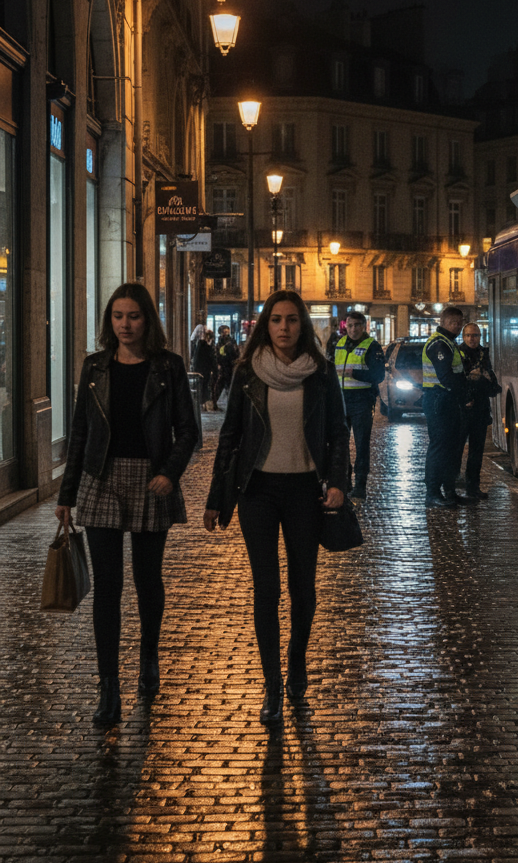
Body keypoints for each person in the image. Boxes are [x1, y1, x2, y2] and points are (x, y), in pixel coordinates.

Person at [55, 283, 198, 726]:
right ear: (109, 321)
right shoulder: (95, 366)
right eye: (118, 316)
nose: (125, 324)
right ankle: (109, 687)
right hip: (101, 479)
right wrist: (66, 494)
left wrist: (169, 473)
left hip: (150, 480)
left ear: (147, 319)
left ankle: (149, 656)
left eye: (133, 316)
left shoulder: (168, 367)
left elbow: (188, 430)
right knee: (107, 588)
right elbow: (80, 432)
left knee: (147, 580)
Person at [203, 290, 348, 726]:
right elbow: (230, 436)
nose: (284, 327)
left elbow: (338, 431)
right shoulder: (248, 371)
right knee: (266, 588)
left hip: (305, 491)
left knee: (304, 589)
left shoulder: (321, 372)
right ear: (266, 326)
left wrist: (339, 482)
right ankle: (272, 684)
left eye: (291, 320)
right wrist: (216, 498)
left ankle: (296, 663)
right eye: (276, 320)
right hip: (258, 491)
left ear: (302, 325)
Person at [422, 306, 476, 508]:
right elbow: (446, 376)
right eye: (453, 322)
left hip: (448, 401)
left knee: (452, 448)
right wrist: (464, 394)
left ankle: (450, 492)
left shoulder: (449, 343)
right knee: (439, 447)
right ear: (443, 322)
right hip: (439, 400)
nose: (457, 326)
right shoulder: (438, 344)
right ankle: (433, 493)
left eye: (460, 322)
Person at [333, 310, 385, 502]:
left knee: (362, 444)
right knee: (340, 443)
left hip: (362, 400)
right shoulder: (339, 344)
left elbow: (378, 375)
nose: (353, 329)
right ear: (345, 326)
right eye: (350, 325)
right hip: (341, 400)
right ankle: (344, 482)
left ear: (363, 327)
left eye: (357, 325)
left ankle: (360, 486)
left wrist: (354, 374)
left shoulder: (372, 346)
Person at [457, 323, 502, 500]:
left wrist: (483, 378)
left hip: (480, 410)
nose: (472, 339)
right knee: (456, 450)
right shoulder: (458, 353)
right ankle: (452, 486)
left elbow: (492, 383)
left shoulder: (484, 354)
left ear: (480, 337)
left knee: (476, 452)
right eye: (468, 335)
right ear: (463, 337)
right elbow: (455, 381)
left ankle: (473, 487)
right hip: (462, 410)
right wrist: (471, 378)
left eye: (475, 335)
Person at [211, 325, 239, 410]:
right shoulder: (222, 342)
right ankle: (215, 403)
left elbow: (235, 353)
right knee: (221, 386)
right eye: (224, 332)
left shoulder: (230, 341)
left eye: (227, 331)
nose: (226, 333)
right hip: (225, 367)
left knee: (227, 386)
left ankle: (231, 405)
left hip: (229, 366)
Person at [192, 329, 217, 411]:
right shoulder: (206, 347)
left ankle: (202, 403)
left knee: (202, 387)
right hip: (205, 370)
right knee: (205, 387)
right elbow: (211, 359)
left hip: (200, 370)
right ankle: (203, 403)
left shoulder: (199, 346)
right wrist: (214, 369)